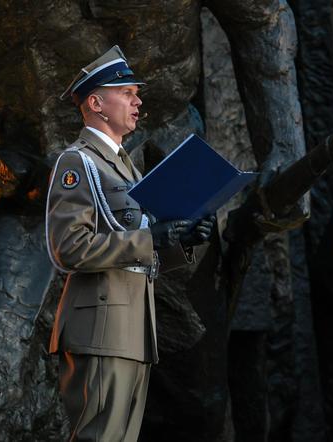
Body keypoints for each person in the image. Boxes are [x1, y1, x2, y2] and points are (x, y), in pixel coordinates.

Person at [45, 46, 213, 441]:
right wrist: (147, 238)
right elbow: (67, 248)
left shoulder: (125, 165)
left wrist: (177, 239)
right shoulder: (79, 162)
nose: (138, 101)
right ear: (97, 103)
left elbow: (138, 245)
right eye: (127, 92)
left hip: (131, 325)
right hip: (101, 325)